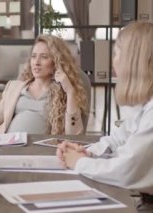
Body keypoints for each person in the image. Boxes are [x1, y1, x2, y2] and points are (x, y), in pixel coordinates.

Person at [57, 21, 153, 203]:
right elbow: (118, 139)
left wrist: (79, 162)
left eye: (116, 53)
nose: (112, 60)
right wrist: (88, 152)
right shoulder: (142, 104)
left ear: (133, 59)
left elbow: (127, 170)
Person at [0, 35, 88, 135]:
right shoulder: (14, 87)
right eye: (33, 56)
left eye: (44, 57)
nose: (36, 62)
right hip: (8, 148)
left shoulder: (63, 94)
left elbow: (74, 135)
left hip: (40, 153)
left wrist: (70, 91)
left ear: (56, 62)